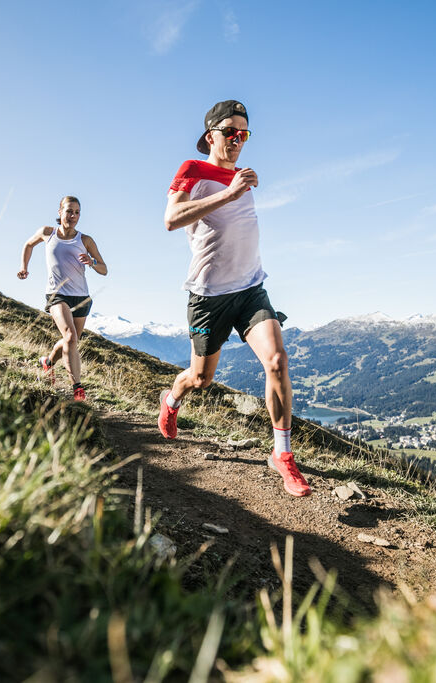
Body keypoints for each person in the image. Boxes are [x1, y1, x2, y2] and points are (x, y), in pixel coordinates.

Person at [157, 99, 311, 497]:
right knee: (200, 379)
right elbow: (171, 220)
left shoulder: (242, 174)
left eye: (244, 134)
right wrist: (230, 192)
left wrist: (238, 185)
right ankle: (172, 400)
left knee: (277, 360)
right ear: (211, 135)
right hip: (208, 297)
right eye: (230, 132)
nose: (238, 140)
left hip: (250, 289)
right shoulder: (193, 170)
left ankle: (282, 454)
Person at [18, 195, 107, 401]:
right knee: (70, 336)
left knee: (72, 340)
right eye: (69, 211)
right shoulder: (47, 233)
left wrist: (91, 261)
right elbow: (28, 245)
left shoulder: (85, 240)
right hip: (57, 294)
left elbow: (104, 270)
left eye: (77, 212)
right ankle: (78, 388)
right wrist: (24, 267)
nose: (73, 216)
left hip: (81, 297)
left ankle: (48, 362)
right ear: (60, 212)